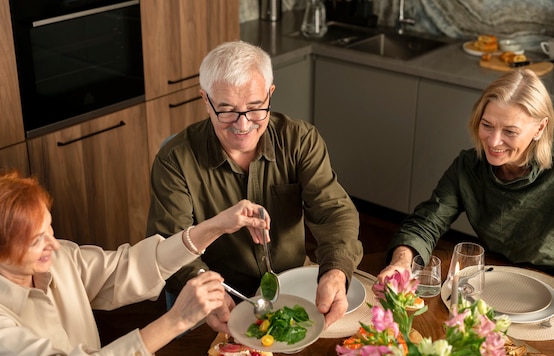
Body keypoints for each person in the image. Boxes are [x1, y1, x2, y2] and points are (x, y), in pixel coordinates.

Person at [0, 170, 267, 356]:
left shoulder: (55, 259)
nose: (53, 246)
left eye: (49, 229)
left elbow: (128, 267)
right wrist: (174, 322)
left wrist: (216, 226)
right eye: (35, 241)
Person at [146, 40, 363, 332]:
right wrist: (207, 289)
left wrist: (336, 271)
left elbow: (334, 213)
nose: (243, 124)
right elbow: (169, 244)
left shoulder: (300, 140)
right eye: (227, 110)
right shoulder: (174, 159)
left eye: (255, 107)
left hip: (292, 287)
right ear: (205, 100)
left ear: (270, 94)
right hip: (218, 297)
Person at [378, 69, 554, 280]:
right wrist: (402, 263)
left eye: (510, 131)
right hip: (496, 274)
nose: (493, 141)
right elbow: (427, 223)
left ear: (540, 128)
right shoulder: (469, 166)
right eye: (487, 125)